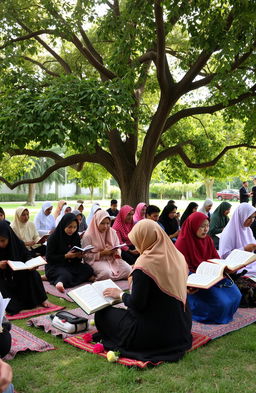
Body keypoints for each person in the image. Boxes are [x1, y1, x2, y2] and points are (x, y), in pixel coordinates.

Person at [93, 219, 192, 362]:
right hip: (180, 327)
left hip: (153, 333)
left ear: (144, 239)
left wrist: (120, 295)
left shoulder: (145, 265)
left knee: (103, 314)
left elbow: (138, 304)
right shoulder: (177, 256)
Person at [176, 212, 241, 324]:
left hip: (212, 274)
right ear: (193, 225)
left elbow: (216, 259)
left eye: (207, 226)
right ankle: (206, 314)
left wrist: (225, 268)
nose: (206, 229)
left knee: (236, 294)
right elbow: (180, 268)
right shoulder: (182, 242)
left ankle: (224, 314)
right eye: (202, 226)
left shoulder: (208, 240)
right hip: (194, 280)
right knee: (221, 303)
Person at [0, 221, 49, 315]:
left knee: (34, 274)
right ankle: (12, 306)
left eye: (3, 240)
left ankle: (41, 300)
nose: (0, 244)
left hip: (17, 274)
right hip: (3, 277)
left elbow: (26, 255)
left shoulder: (17, 243)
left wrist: (31, 264)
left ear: (9, 237)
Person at [45, 213, 95, 293]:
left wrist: (79, 256)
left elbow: (77, 257)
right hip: (56, 266)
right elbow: (49, 258)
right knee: (65, 274)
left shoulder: (76, 237)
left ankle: (56, 279)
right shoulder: (53, 237)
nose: (72, 230)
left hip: (71, 265)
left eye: (75, 227)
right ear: (64, 225)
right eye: (69, 227)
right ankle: (60, 282)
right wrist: (65, 256)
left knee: (88, 269)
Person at [81, 210, 132, 281]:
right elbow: (85, 256)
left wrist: (115, 252)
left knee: (128, 269)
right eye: (102, 223)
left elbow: (118, 248)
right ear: (96, 222)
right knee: (106, 273)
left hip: (112, 258)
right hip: (97, 261)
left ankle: (103, 278)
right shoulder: (88, 236)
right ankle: (95, 278)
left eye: (108, 223)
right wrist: (101, 253)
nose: (105, 226)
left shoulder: (112, 232)